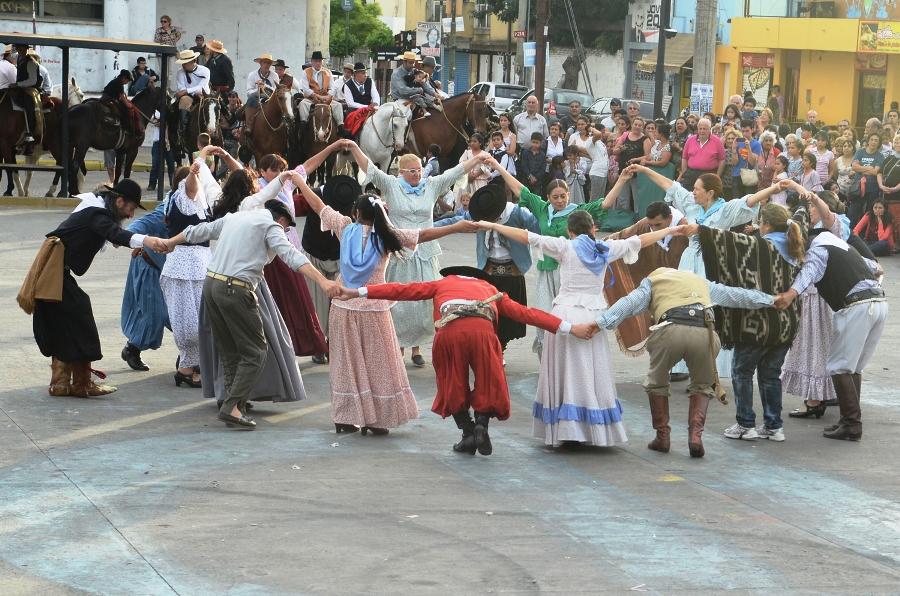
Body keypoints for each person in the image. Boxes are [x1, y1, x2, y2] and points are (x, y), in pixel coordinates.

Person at [337, 266, 594, 455]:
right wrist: (570, 327)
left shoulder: (442, 284)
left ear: (452, 276)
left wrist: (357, 291)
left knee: (452, 381)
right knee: (489, 379)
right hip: (482, 331)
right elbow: (528, 314)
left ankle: (467, 432)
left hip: (450, 333)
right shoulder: (491, 290)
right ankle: (481, 425)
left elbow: (401, 290)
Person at [480, 211, 679, 447]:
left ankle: (567, 429)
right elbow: (640, 240)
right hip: (594, 317)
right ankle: (590, 428)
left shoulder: (565, 246)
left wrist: (493, 225)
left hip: (565, 316)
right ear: (593, 229)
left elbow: (527, 237)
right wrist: (671, 230)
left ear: (570, 231)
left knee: (566, 371)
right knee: (590, 372)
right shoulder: (605, 249)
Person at [296, 179, 476, 435]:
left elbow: (318, 206)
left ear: (356, 213)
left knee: (346, 363)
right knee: (379, 363)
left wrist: (298, 182)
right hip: (374, 307)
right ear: (380, 213)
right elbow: (423, 235)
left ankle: (346, 417)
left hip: (343, 307)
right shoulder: (388, 236)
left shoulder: (345, 228)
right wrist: (457, 226)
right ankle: (378, 419)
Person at [165, 197, 340, 430]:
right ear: (281, 219)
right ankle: (232, 405)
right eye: (286, 228)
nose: (285, 232)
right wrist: (323, 282)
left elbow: (197, 231)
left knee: (229, 350)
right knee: (256, 351)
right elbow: (291, 255)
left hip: (211, 285)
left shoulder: (234, 218)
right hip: (236, 289)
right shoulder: (271, 226)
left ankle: (233, 404)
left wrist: (169, 243)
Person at [341, 139, 494, 367]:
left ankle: (417, 349)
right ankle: (398, 347)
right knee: (399, 300)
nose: (416, 174)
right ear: (401, 172)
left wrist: (478, 158)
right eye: (411, 171)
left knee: (425, 302)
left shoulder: (430, 186)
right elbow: (369, 169)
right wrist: (354, 147)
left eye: (419, 170)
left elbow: (453, 174)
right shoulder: (392, 185)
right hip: (401, 252)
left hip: (426, 252)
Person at [593, 267, 775, 457]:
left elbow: (628, 303)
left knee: (656, 383)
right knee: (703, 386)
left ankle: (662, 437)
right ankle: (695, 437)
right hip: (704, 333)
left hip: (670, 330)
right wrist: (771, 300)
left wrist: (598, 323)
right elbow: (736, 295)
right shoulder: (700, 282)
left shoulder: (653, 280)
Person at [628, 163, 768, 380]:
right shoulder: (691, 206)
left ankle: (710, 366)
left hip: (712, 263)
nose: (693, 191)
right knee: (683, 308)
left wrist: (776, 189)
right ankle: (682, 365)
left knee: (710, 311)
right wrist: (644, 170)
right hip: (689, 262)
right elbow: (670, 186)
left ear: (710, 193)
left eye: (697, 188)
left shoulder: (725, 209)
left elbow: (750, 200)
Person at [30, 180, 167, 397]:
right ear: (119, 201)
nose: (131, 215)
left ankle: (61, 383)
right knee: (81, 317)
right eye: (131, 209)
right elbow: (115, 234)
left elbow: (112, 233)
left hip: (55, 272)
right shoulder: (97, 215)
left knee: (65, 321)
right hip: (53, 272)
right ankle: (82, 384)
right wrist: (147, 241)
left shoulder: (97, 214)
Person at [694, 201, 806, 443]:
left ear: (764, 224)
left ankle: (746, 424)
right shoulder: (795, 246)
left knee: (742, 372)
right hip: (786, 325)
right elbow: (803, 216)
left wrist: (697, 231)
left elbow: (726, 241)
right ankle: (773, 426)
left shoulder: (760, 246)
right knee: (770, 374)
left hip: (756, 324)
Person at [774, 214, 887, 441]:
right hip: (879, 303)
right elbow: (875, 267)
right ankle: (850, 421)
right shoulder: (837, 244)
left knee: (839, 366)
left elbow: (809, 272)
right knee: (852, 366)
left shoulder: (818, 249)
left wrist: (790, 293)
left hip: (856, 306)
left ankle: (852, 424)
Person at [488, 155, 609, 357]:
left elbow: (603, 205)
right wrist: (498, 167)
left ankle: (570, 355)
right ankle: (547, 358)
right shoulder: (543, 209)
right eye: (556, 197)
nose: (560, 200)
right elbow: (520, 189)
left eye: (563, 196)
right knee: (545, 315)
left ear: (569, 195)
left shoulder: (578, 211)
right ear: (548, 197)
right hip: (545, 271)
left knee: (568, 315)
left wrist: (621, 180)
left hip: (568, 272)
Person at [159, 154, 217, 389]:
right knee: (188, 321)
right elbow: (190, 188)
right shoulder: (182, 196)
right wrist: (193, 173)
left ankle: (194, 364)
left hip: (200, 265)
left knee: (202, 319)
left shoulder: (199, 203)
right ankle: (185, 368)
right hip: (183, 266)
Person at [295, 174, 361, 364]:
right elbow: (291, 206)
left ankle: (334, 343)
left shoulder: (358, 205)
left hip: (341, 257)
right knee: (316, 303)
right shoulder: (313, 197)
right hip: (314, 254)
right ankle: (318, 343)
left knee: (340, 303)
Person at [120, 192, 174, 371]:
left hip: (173, 272)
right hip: (148, 268)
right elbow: (136, 227)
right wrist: (136, 242)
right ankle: (132, 349)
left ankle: (190, 356)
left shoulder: (198, 210)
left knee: (179, 315)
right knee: (155, 315)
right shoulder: (165, 212)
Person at [298, 51, 345, 130]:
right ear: (312, 61)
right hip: (311, 98)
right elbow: (306, 89)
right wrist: (318, 96)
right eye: (316, 61)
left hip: (326, 98)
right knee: (303, 104)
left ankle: (340, 127)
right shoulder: (306, 72)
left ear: (322, 62)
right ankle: (304, 124)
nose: (318, 63)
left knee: (338, 105)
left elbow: (333, 87)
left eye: (319, 61)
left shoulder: (328, 72)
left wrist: (329, 96)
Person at [174, 49, 211, 144]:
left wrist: (187, 90)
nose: (183, 65)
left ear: (193, 61)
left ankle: (224, 122)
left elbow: (201, 87)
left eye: (185, 63)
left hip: (204, 95)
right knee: (183, 101)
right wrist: (188, 92)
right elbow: (181, 87)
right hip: (189, 96)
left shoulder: (205, 70)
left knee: (215, 104)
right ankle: (182, 130)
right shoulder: (180, 72)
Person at [9, 43, 42, 150]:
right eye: (19, 48)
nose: (21, 50)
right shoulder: (19, 59)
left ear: (26, 49)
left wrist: (18, 84)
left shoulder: (31, 63)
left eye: (23, 48)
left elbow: (32, 81)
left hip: (30, 89)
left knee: (29, 104)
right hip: (20, 88)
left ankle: (30, 132)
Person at [679, 118, 726, 190]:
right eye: (700, 128)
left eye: (704, 129)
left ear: (709, 129)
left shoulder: (717, 141)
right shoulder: (690, 140)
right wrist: (685, 173)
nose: (702, 131)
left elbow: (722, 160)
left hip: (709, 175)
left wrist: (717, 176)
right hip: (691, 174)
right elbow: (684, 158)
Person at [391, 51, 442, 116]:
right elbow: (403, 91)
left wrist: (435, 94)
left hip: (416, 98)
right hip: (401, 100)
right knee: (403, 118)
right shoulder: (396, 74)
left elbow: (424, 84)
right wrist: (419, 90)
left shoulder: (414, 71)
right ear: (404, 62)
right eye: (410, 63)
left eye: (414, 62)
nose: (413, 65)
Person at [850, 133, 885, 226]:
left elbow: (875, 172)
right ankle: (849, 233)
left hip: (872, 189)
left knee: (869, 213)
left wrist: (860, 168)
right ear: (868, 141)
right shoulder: (860, 152)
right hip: (858, 188)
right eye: (872, 139)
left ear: (879, 143)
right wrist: (869, 167)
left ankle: (865, 235)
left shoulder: (880, 156)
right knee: (853, 213)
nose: (873, 142)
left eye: (876, 140)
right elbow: (854, 167)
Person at [243, 53, 280, 131]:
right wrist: (259, 90)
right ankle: (249, 125)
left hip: (270, 99)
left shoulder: (275, 75)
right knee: (251, 100)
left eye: (269, 63)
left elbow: (276, 91)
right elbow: (249, 93)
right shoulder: (252, 75)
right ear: (260, 63)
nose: (267, 65)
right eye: (265, 62)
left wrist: (265, 87)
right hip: (256, 99)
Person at [342, 62, 381, 136]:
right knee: (350, 128)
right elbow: (350, 103)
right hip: (354, 110)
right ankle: (350, 139)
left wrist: (376, 104)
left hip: (370, 109)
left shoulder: (370, 81)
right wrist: (366, 107)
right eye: (363, 73)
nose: (365, 75)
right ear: (355, 74)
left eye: (366, 72)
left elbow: (375, 95)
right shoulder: (347, 85)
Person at [100, 69, 141, 134]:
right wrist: (129, 105)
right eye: (128, 80)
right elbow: (122, 97)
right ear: (124, 78)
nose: (127, 82)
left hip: (106, 98)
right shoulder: (119, 83)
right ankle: (125, 126)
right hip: (109, 100)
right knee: (126, 110)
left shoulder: (116, 81)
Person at [878, 134, 900, 244]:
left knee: (897, 221)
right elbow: (879, 172)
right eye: (896, 142)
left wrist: (896, 188)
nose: (898, 144)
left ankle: (897, 243)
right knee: (886, 220)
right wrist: (881, 185)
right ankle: (888, 242)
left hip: (897, 196)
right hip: (884, 194)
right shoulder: (889, 158)